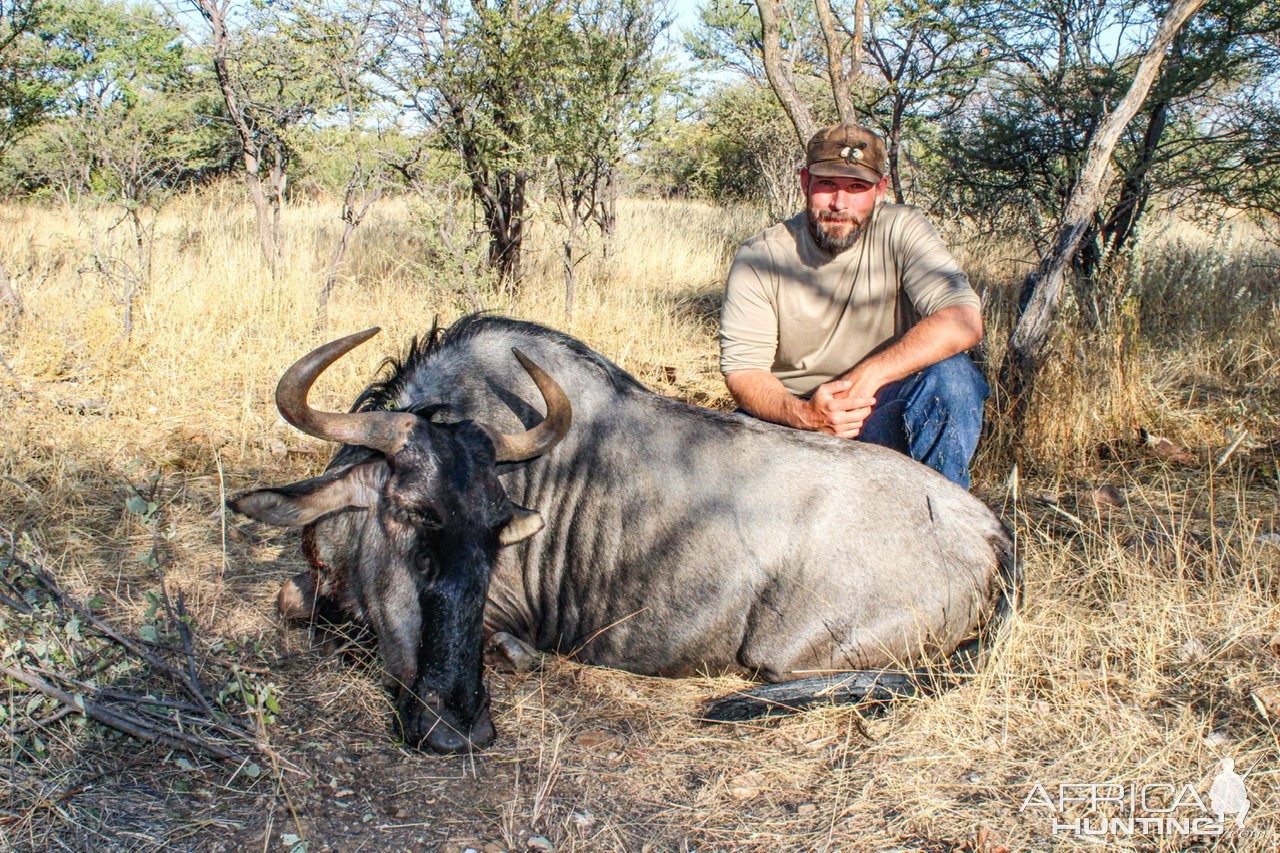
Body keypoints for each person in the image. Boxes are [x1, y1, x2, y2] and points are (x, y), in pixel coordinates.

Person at [719, 122, 989, 488]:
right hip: (792, 418)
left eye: (856, 187)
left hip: (877, 405)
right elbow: (744, 372)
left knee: (953, 378)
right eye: (827, 183)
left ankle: (941, 517)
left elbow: (963, 321)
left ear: (880, 190)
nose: (839, 203)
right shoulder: (761, 255)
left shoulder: (903, 228)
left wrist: (867, 378)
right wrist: (805, 415)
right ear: (805, 183)